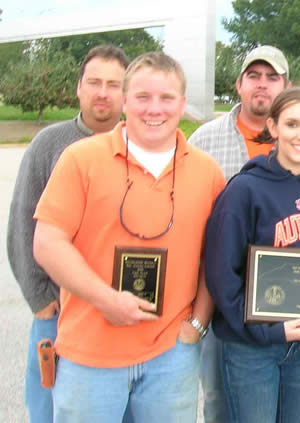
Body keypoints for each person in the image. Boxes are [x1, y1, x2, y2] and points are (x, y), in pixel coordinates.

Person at [32, 52, 225, 422]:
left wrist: (198, 324)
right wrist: (104, 299)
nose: (155, 109)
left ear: (182, 104)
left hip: (171, 357)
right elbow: (47, 241)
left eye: (167, 98)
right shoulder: (80, 159)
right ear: (124, 100)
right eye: (143, 97)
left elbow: (213, 258)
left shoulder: (207, 172)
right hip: (89, 356)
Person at [189, 44, 300, 422]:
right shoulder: (244, 189)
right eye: (292, 124)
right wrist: (264, 333)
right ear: (273, 128)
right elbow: (221, 271)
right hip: (252, 343)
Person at [7, 44, 129, 423]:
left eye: (114, 84)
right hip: (58, 310)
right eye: (94, 82)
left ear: (126, 93)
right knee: (47, 407)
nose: (103, 92)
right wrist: (40, 297)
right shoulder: (50, 144)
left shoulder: (142, 146)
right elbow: (23, 223)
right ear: (78, 88)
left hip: (122, 305)